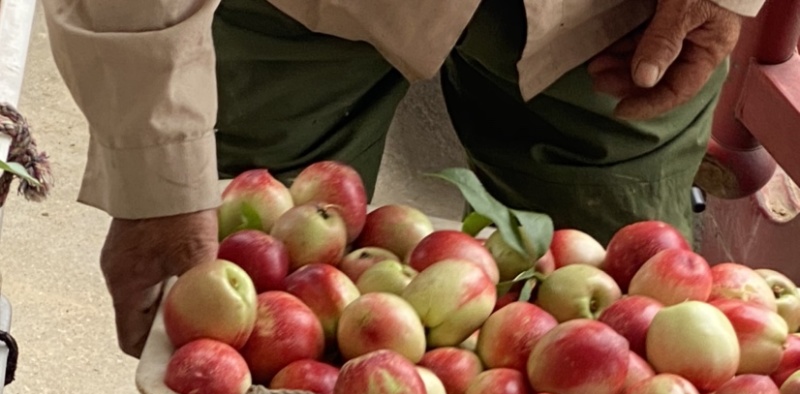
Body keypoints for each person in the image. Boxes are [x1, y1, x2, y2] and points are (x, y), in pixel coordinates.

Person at [40, 0, 764, 358]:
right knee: (263, 358)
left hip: (613, 18)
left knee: (634, 358)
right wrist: (158, 168)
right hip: (308, 12)